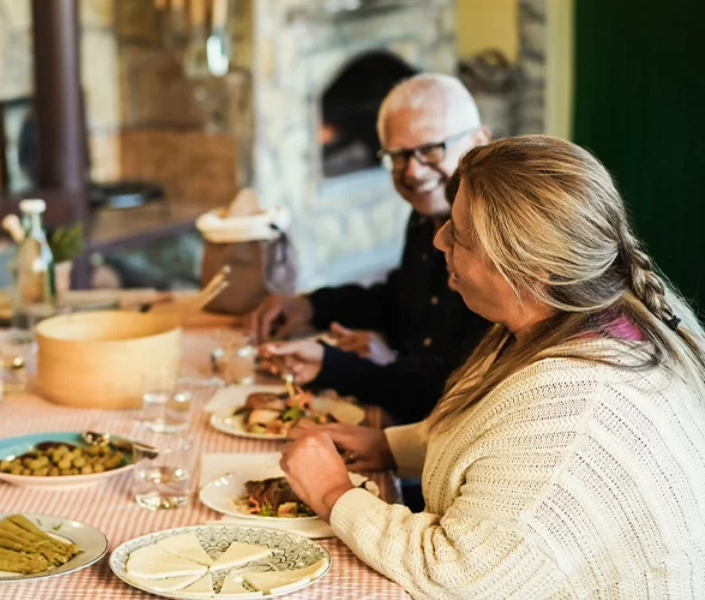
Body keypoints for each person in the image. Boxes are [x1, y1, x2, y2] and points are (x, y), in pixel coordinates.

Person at [279, 136, 705, 596]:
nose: (439, 239)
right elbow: (502, 442)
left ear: (529, 271)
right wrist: (389, 448)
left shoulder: (575, 413)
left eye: (458, 235)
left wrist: (333, 495)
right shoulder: (559, 322)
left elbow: (459, 576)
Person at [246, 74, 492, 424]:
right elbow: (401, 300)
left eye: (430, 150)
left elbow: (456, 393)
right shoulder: (426, 217)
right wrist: (309, 306)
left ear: (480, 141)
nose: (413, 171)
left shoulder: (496, 247)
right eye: (398, 155)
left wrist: (343, 367)